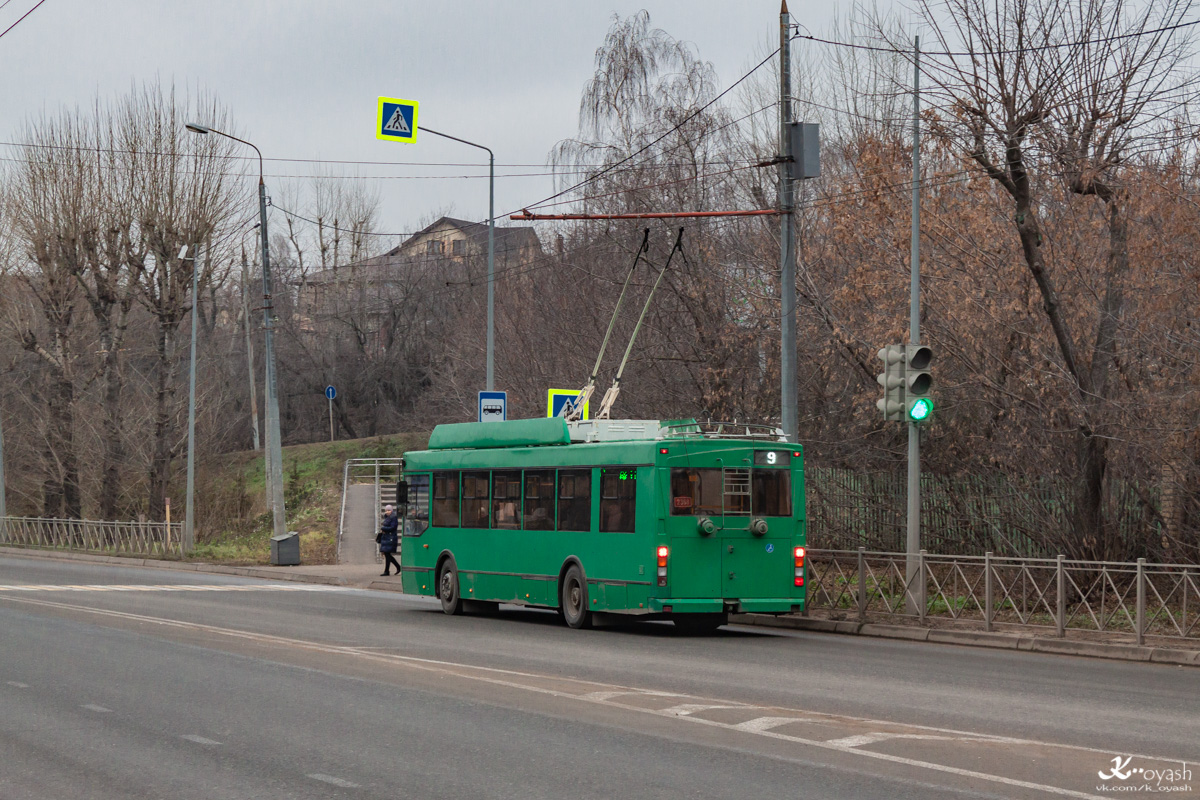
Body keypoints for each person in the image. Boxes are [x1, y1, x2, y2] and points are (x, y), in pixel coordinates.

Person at [377, 504, 400, 577]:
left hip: (390, 538)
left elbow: (393, 527)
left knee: (387, 554)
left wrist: (383, 528)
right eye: (386, 510)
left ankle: (388, 570)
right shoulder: (387, 517)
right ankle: (396, 567)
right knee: (387, 554)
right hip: (386, 537)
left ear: (392, 510)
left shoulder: (393, 517)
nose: (387, 512)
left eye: (389, 510)